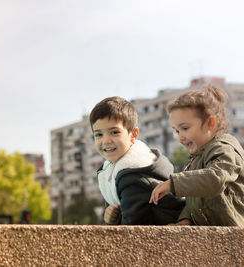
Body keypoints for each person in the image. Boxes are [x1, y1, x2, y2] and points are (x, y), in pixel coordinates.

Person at [150, 84, 244, 226]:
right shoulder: (198, 156)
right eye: (176, 131)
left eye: (185, 128)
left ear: (210, 123)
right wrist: (185, 220)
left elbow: (215, 179)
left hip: (234, 235)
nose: (180, 137)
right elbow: (194, 200)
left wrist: (174, 183)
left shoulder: (225, 149)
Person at [90, 96, 184, 225]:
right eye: (98, 134)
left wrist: (112, 222)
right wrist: (108, 216)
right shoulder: (114, 169)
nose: (106, 141)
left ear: (133, 134)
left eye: (114, 132)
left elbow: (133, 229)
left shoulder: (134, 175)